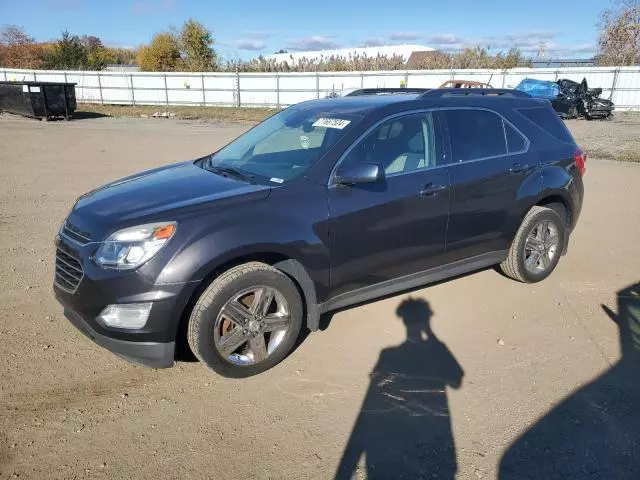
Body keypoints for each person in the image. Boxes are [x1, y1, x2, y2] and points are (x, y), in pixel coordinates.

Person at [336, 297, 464, 479]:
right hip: (431, 431)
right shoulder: (437, 348)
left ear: (404, 322)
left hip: (390, 444)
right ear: (425, 320)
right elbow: (456, 381)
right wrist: (431, 335)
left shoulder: (387, 355)